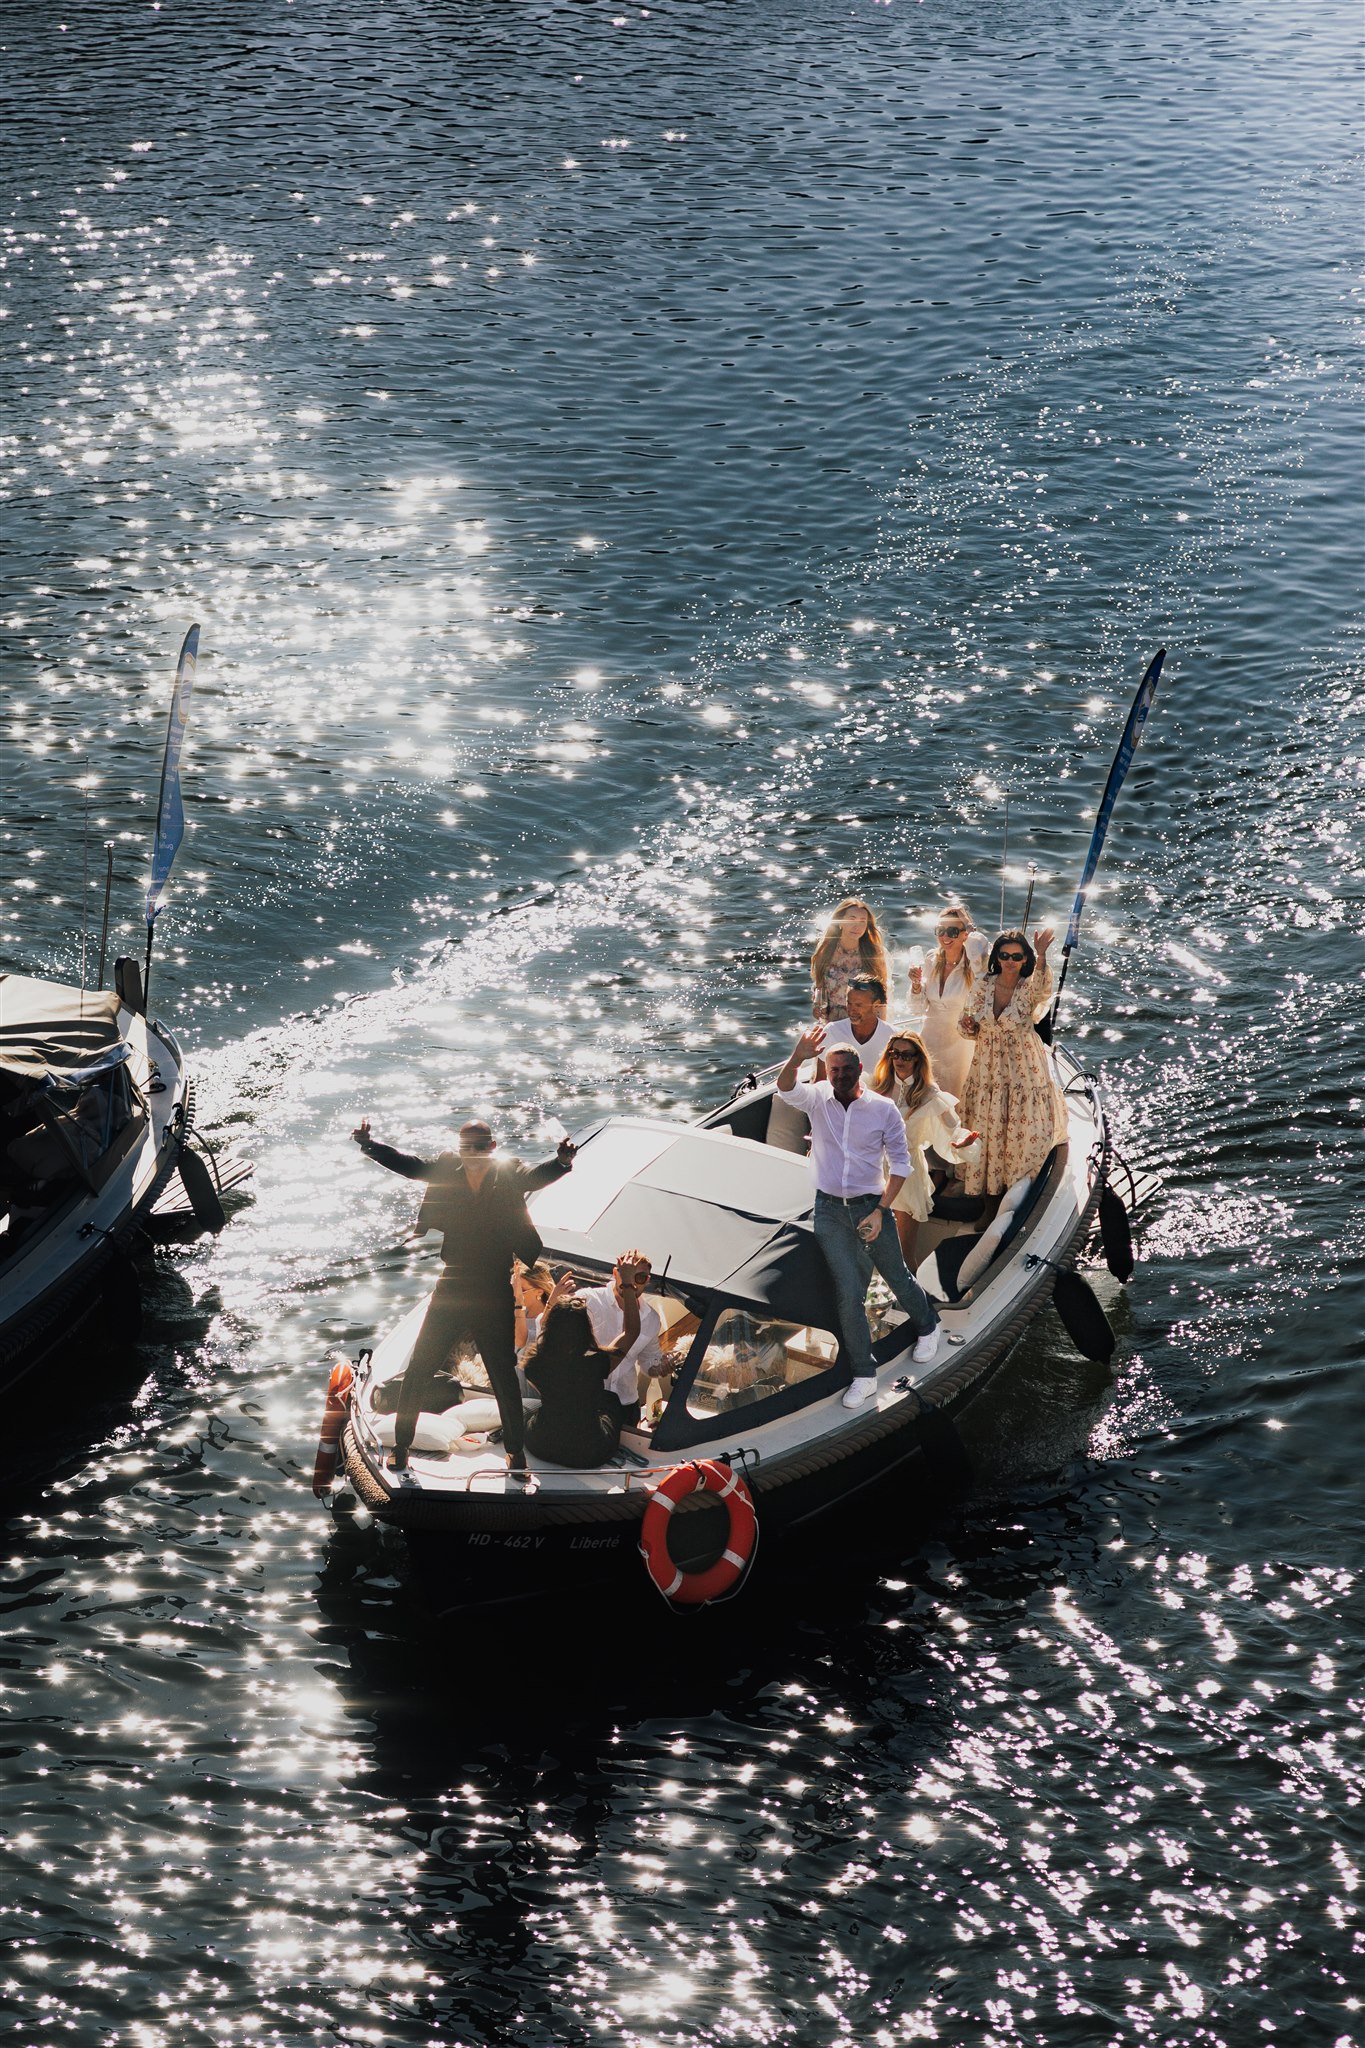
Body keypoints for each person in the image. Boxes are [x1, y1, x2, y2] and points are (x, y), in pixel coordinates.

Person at [352, 1113, 576, 1474]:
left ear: (492, 1148)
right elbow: (409, 1166)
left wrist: (562, 1161)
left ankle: (515, 1452)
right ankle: (403, 1446)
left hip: (493, 1287)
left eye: (477, 1146)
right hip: (453, 1284)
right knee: (421, 1366)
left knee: (502, 1372)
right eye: (464, 1146)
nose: (470, 1152)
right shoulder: (447, 1168)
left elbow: (536, 1176)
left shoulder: (508, 1172)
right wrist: (369, 1145)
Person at [775, 1025, 940, 1409]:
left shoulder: (882, 1110)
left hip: (870, 1206)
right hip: (829, 1210)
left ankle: (928, 1326)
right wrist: (799, 1055)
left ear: (859, 1068)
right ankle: (864, 1374)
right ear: (827, 1072)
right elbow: (785, 1088)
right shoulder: (817, 1099)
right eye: (834, 1071)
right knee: (849, 1293)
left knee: (896, 1274)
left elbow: (901, 1165)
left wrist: (883, 1211)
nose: (840, 1077)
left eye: (847, 1070)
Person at [957, 929, 1068, 1196]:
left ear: (1024, 960)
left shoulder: (1027, 986)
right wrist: (968, 1025)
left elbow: (1042, 988)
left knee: (1018, 1124)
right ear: (996, 956)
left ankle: (1017, 1185)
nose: (1009, 961)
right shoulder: (983, 982)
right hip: (987, 1065)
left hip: (1022, 1067)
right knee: (987, 1123)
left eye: (1016, 957)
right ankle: (987, 1195)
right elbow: (964, 1024)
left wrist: (1041, 954)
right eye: (1004, 955)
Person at [870, 1030, 979, 1268]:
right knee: (871, 1248)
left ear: (918, 1058)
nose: (899, 1060)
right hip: (872, 1172)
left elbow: (954, 1130)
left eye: (906, 1055)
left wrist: (962, 1143)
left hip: (907, 1176)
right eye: (895, 1053)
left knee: (903, 1254)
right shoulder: (874, 1086)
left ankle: (911, 1303)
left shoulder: (931, 1095)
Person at [523, 1264, 641, 1468]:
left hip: (541, 1444)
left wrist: (552, 1303)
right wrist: (629, 1287)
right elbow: (631, 1332)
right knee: (610, 1398)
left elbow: (544, 1333)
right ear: (585, 1330)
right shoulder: (597, 1363)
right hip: (587, 1453)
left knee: (536, 1408)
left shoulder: (534, 1363)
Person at [905, 903, 989, 1099]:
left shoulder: (976, 964)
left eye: (952, 931)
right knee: (926, 1099)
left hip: (961, 1045)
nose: (945, 937)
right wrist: (916, 986)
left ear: (965, 934)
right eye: (940, 930)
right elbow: (917, 1009)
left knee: (956, 1101)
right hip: (930, 1040)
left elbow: (982, 949)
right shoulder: (930, 959)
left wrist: (968, 923)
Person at [578, 1248, 664, 1426]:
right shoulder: (588, 1299)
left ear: (647, 1281)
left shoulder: (651, 1318)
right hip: (586, 1397)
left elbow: (649, 1363)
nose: (632, 1283)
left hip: (625, 1402)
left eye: (639, 1278)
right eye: (627, 1276)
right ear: (615, 1273)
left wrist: (662, 1368)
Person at [809, 897, 890, 1022]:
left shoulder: (874, 954)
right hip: (832, 1023)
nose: (857, 926)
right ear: (840, 922)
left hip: (863, 1024)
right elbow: (819, 989)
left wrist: (881, 1030)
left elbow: (882, 999)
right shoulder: (826, 951)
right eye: (851, 919)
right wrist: (816, 1006)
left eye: (862, 921)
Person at [818, 975, 897, 1072]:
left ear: (876, 1005)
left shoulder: (893, 1038)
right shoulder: (831, 1032)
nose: (851, 1010)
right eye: (849, 1003)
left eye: (858, 1005)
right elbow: (820, 1081)